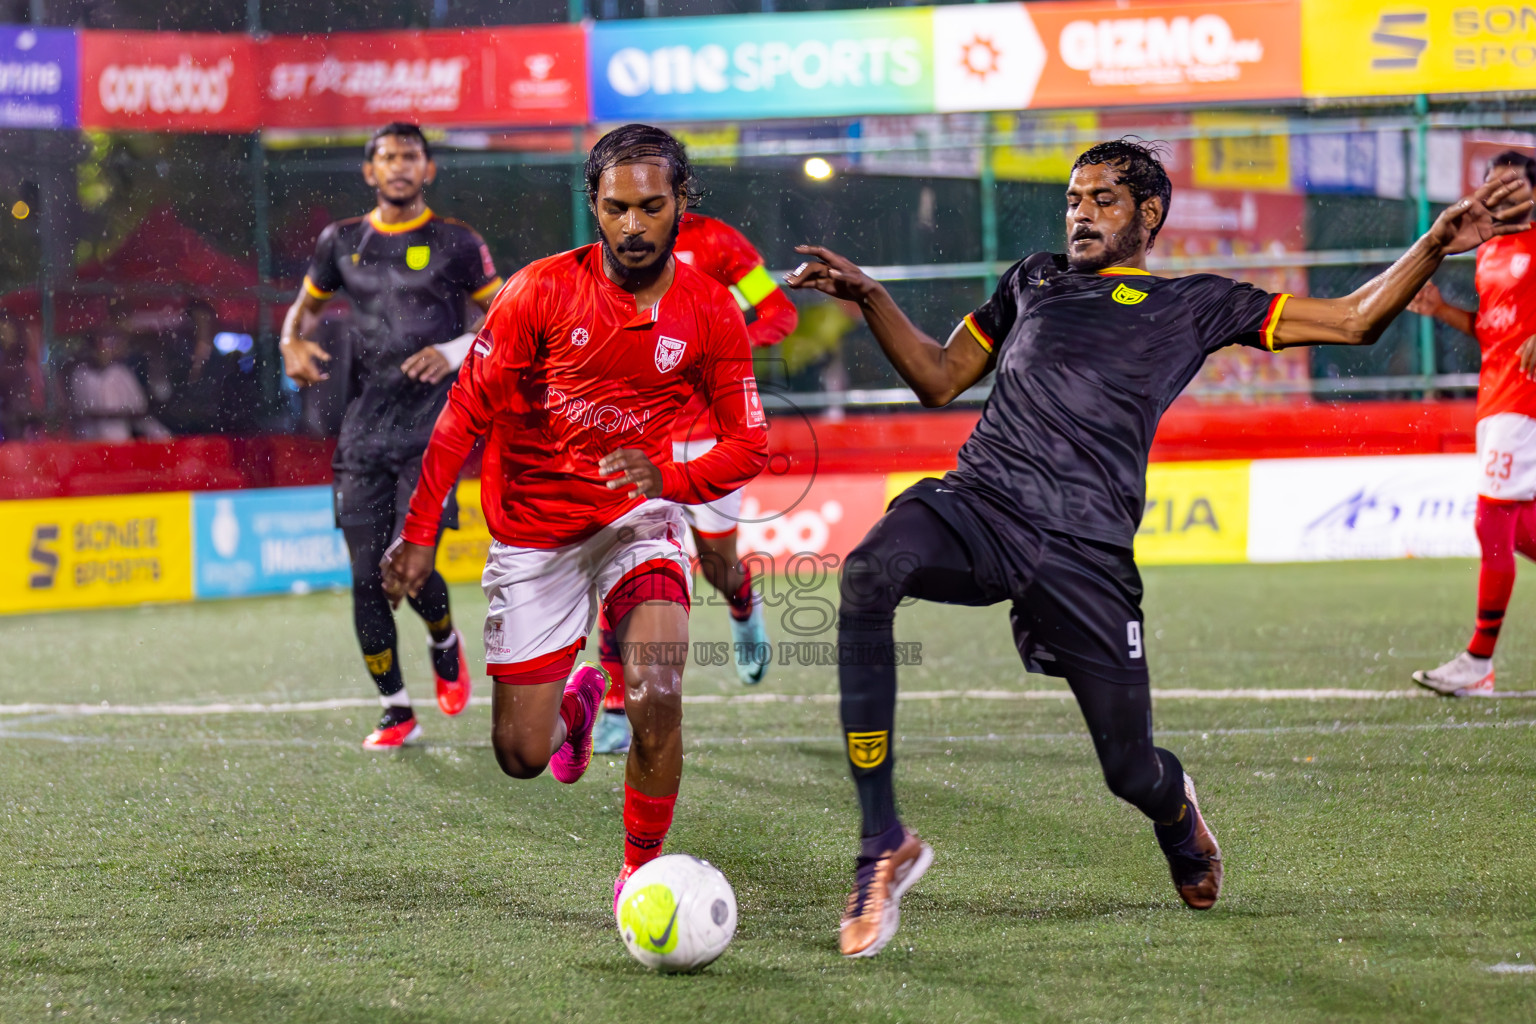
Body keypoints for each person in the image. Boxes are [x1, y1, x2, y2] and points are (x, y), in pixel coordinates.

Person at [785, 137, 1532, 959]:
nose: (1080, 213)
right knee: (867, 574)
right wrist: (870, 295)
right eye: (1073, 199)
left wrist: (1431, 245)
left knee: (1130, 771)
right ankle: (881, 841)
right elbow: (937, 377)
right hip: (982, 503)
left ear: (1150, 214)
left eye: (1103, 199)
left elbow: (1354, 321)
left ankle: (1177, 813)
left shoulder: (1194, 303)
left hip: (1086, 554)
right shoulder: (1032, 281)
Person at [380, 124, 768, 906]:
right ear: (593, 203)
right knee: (521, 754)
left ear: (680, 203)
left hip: (639, 521)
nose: (633, 225)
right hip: (535, 536)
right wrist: (419, 531)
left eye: (651, 207)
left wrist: (671, 475)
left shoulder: (714, 311)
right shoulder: (539, 290)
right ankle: (579, 704)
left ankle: (640, 870)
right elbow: (461, 418)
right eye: (616, 207)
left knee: (658, 690)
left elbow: (749, 444)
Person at [279, 122, 504, 750]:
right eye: (387, 157)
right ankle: (396, 708)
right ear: (370, 171)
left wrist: (456, 350)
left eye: (411, 157)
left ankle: (442, 636)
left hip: (432, 428)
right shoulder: (340, 241)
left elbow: (504, 315)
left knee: (409, 558)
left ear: (428, 170)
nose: (399, 166)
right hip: (362, 430)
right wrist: (289, 340)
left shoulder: (458, 243)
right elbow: (304, 309)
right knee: (364, 573)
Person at [592, 210, 799, 755]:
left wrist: (717, 350)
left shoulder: (720, 241)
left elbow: (779, 314)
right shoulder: (615, 242)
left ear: (678, 190)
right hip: (640, 432)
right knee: (625, 566)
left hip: (713, 438)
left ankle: (742, 603)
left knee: (716, 567)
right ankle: (616, 704)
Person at [1409, 151, 1536, 696]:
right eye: (1490, 185)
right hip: (1496, 397)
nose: (1497, 194)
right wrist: (1441, 311)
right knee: (1521, 525)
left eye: (1509, 185)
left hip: (1522, 402)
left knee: (1492, 523)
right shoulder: (1489, 253)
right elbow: (1493, 330)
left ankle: (1478, 662)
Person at [68, 325, 169, 441]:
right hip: (89, 444)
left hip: (118, 443)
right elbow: (73, 414)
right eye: (98, 346)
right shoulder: (80, 375)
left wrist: (163, 437)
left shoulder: (121, 374)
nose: (102, 350)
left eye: (106, 346)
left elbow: (140, 412)